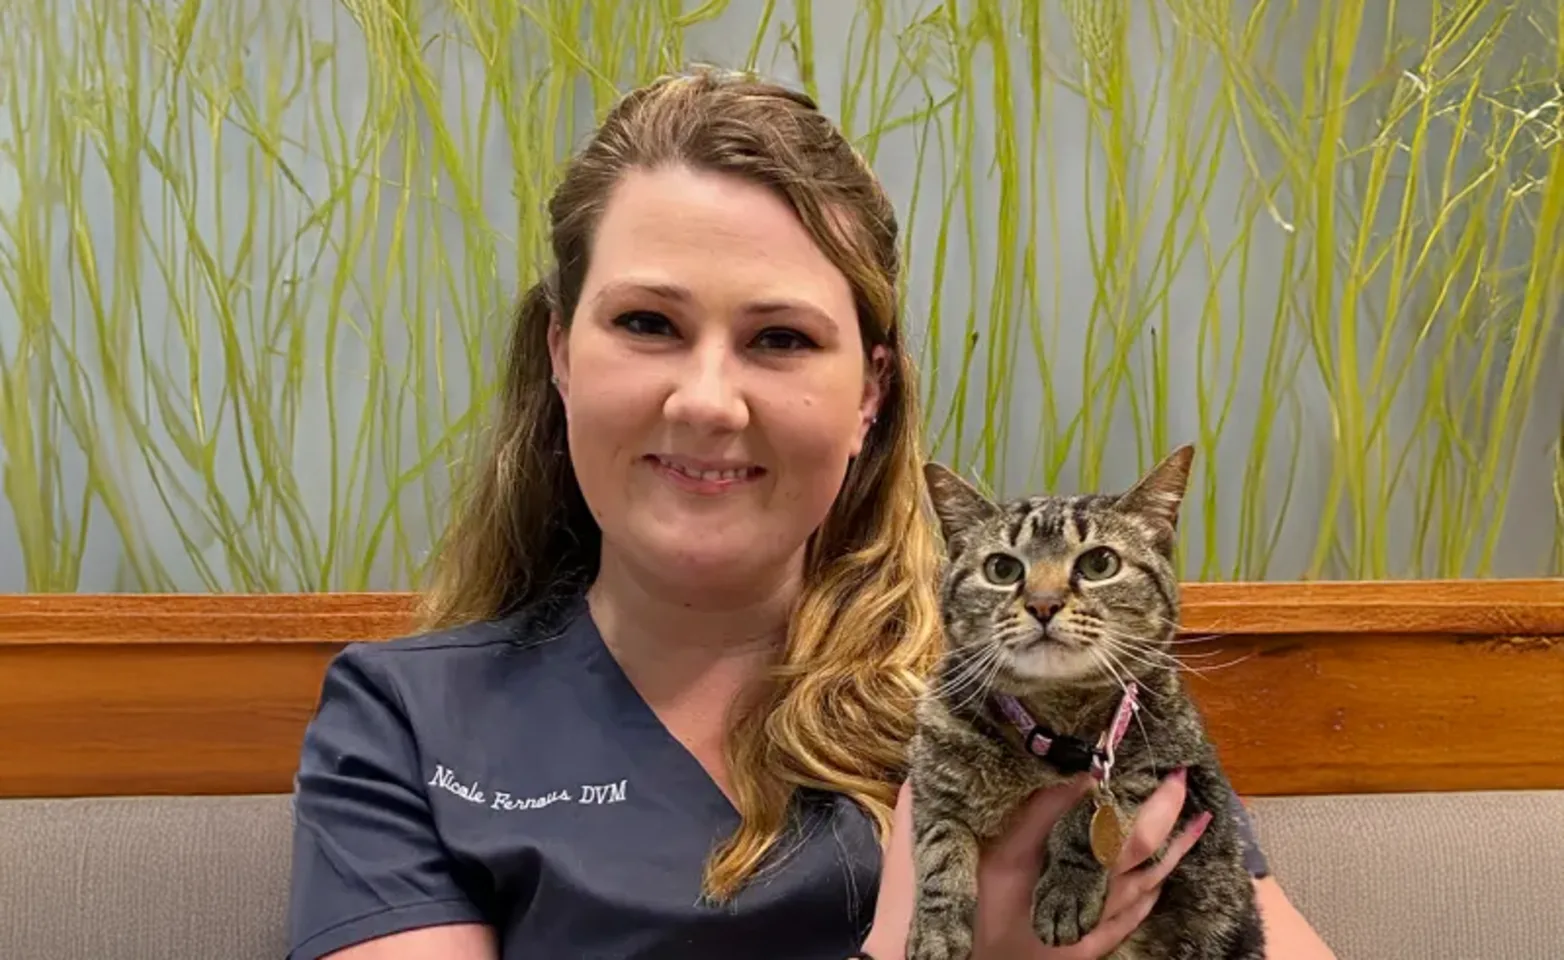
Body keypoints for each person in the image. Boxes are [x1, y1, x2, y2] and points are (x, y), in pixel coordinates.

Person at [284, 67, 1337, 960]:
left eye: (779, 338)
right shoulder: (406, 725)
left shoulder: (1046, 693)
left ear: (869, 392)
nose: (706, 398)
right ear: (561, 355)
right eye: (647, 322)